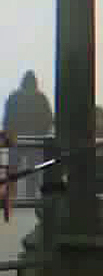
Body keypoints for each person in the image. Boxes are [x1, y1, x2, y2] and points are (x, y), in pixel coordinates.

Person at [4, 71, 53, 201]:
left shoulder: (14, 97)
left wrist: (8, 136)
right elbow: (48, 119)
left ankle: (10, 198)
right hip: (35, 141)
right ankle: (30, 198)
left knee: (13, 171)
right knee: (33, 172)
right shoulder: (41, 98)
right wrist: (42, 135)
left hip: (16, 140)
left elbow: (7, 120)